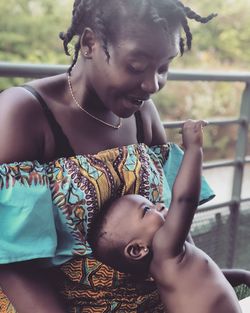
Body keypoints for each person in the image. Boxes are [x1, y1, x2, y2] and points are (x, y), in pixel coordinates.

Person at [0, 0, 224, 312]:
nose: (152, 84)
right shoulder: (23, 113)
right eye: (136, 66)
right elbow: (12, 265)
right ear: (90, 43)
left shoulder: (141, 112)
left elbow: (176, 228)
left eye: (164, 68)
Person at [88, 120, 250, 313]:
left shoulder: (169, 264)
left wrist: (242, 276)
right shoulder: (165, 249)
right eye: (147, 210)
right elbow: (184, 200)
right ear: (138, 249)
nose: (159, 205)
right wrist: (194, 149)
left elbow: (206, 277)